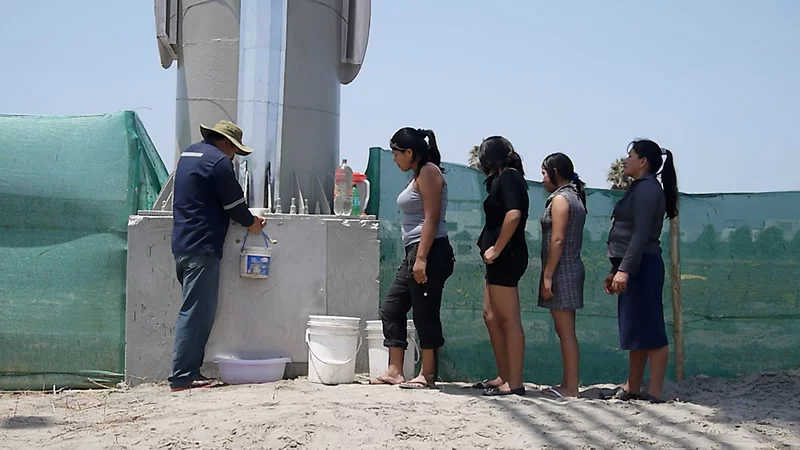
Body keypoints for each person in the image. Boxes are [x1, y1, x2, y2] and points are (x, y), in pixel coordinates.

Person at [169, 120, 265, 392]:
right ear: (226, 143)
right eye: (234, 150)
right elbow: (235, 204)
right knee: (197, 313)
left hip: (182, 244)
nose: (233, 156)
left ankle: (186, 372)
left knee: (191, 308)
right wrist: (251, 223)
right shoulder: (218, 162)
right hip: (203, 246)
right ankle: (183, 375)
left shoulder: (188, 154)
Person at [370, 127, 455, 389]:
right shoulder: (417, 174)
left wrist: (421, 259)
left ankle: (427, 374)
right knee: (392, 307)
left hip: (430, 250)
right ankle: (395, 370)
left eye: (397, 154)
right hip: (414, 251)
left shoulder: (429, 171)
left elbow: (431, 217)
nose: (394, 160)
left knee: (425, 311)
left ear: (410, 152)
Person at [604, 139, 678, 403]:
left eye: (630, 155)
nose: (626, 160)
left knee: (652, 330)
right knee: (636, 331)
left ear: (643, 161)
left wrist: (624, 270)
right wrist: (616, 270)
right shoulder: (639, 188)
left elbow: (641, 234)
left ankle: (655, 392)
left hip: (643, 267)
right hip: (633, 266)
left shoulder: (648, 189)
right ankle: (632, 387)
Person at [473, 136, 529, 396]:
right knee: (491, 315)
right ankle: (503, 374)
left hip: (507, 256)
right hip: (495, 258)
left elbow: (514, 214)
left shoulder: (510, 177)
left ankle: (514, 382)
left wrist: (497, 247)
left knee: (508, 320)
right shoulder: (500, 179)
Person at [537, 153, 587, 399]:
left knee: (565, 330)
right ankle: (568, 383)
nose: (542, 179)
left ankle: (570, 388)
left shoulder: (560, 200)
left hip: (562, 270)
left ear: (555, 172)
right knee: (566, 330)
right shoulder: (575, 197)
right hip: (571, 267)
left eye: (545, 173)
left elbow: (557, 239)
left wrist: (547, 275)